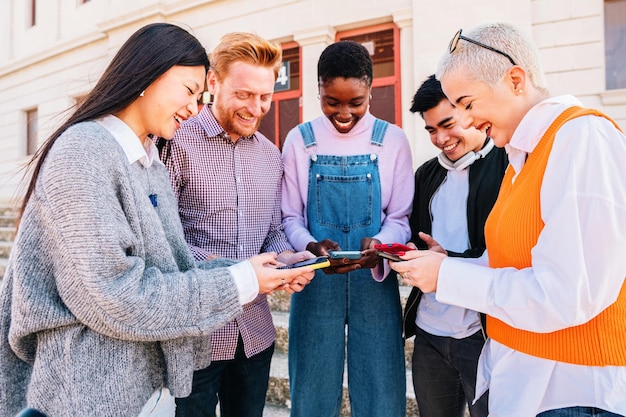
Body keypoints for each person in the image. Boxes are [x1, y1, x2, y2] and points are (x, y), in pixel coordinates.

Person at [0, 23, 314, 417]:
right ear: (147, 75)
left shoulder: (146, 160)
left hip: (140, 383)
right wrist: (244, 278)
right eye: (188, 91)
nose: (194, 107)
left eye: (198, 96)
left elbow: (169, 263)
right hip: (83, 394)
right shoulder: (84, 152)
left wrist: (272, 266)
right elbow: (116, 296)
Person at [391, 22, 626, 417]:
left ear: (516, 80)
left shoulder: (581, 138)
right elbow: (511, 264)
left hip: (571, 391)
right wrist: (442, 266)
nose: (466, 121)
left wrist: (448, 277)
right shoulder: (523, 158)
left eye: (467, 103)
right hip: (528, 384)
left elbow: (565, 294)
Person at [162, 32, 312, 417]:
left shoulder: (270, 153)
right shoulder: (176, 142)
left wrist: (290, 260)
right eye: (244, 94)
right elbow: (162, 237)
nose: (256, 107)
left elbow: (272, 230)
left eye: (264, 96)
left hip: (256, 334)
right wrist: (235, 272)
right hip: (198, 335)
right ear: (214, 82)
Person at [281, 40, 414, 417]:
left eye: (356, 102)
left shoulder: (393, 140)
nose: (344, 113)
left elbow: (400, 218)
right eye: (332, 102)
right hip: (315, 279)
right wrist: (310, 246)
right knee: (311, 389)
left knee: (381, 392)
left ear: (371, 89)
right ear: (318, 91)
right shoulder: (299, 140)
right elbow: (290, 217)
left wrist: (382, 245)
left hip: (374, 281)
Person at [404, 74, 508, 417]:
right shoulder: (425, 175)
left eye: (447, 124)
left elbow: (509, 256)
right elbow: (414, 236)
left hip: (482, 335)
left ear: (469, 109)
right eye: (432, 130)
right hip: (429, 335)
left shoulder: (509, 166)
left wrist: (447, 263)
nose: (441, 138)